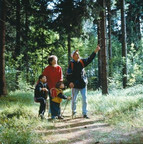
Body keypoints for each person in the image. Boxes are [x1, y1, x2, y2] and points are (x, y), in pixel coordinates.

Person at [66, 45, 100, 119]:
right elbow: (68, 75)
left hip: (83, 83)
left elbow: (89, 59)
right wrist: (70, 83)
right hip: (74, 85)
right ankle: (74, 112)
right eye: (76, 54)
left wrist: (95, 51)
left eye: (78, 53)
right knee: (74, 100)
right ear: (73, 56)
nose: (78, 55)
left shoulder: (82, 61)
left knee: (85, 99)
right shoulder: (71, 64)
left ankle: (84, 113)